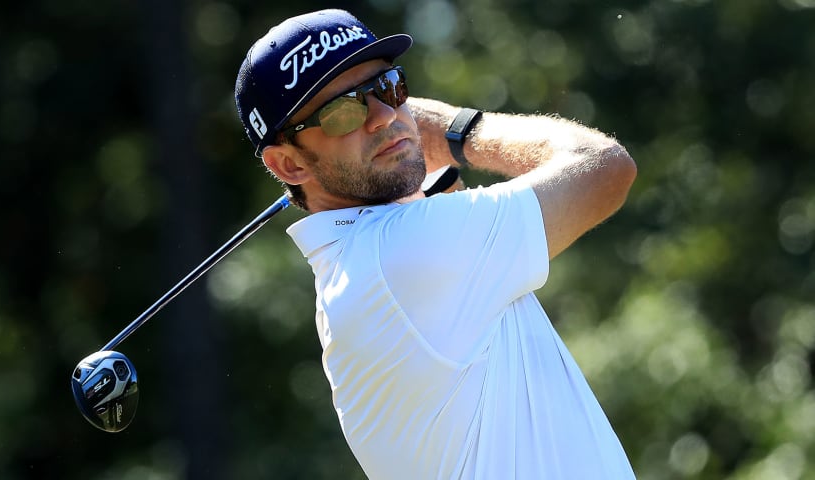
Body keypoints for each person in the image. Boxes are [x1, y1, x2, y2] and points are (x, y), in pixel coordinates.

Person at [235, 8, 638, 480]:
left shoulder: (367, 261)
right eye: (344, 110)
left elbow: (436, 203)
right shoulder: (401, 254)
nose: (384, 117)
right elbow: (604, 168)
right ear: (289, 165)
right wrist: (455, 128)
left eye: (389, 88)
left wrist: (414, 150)